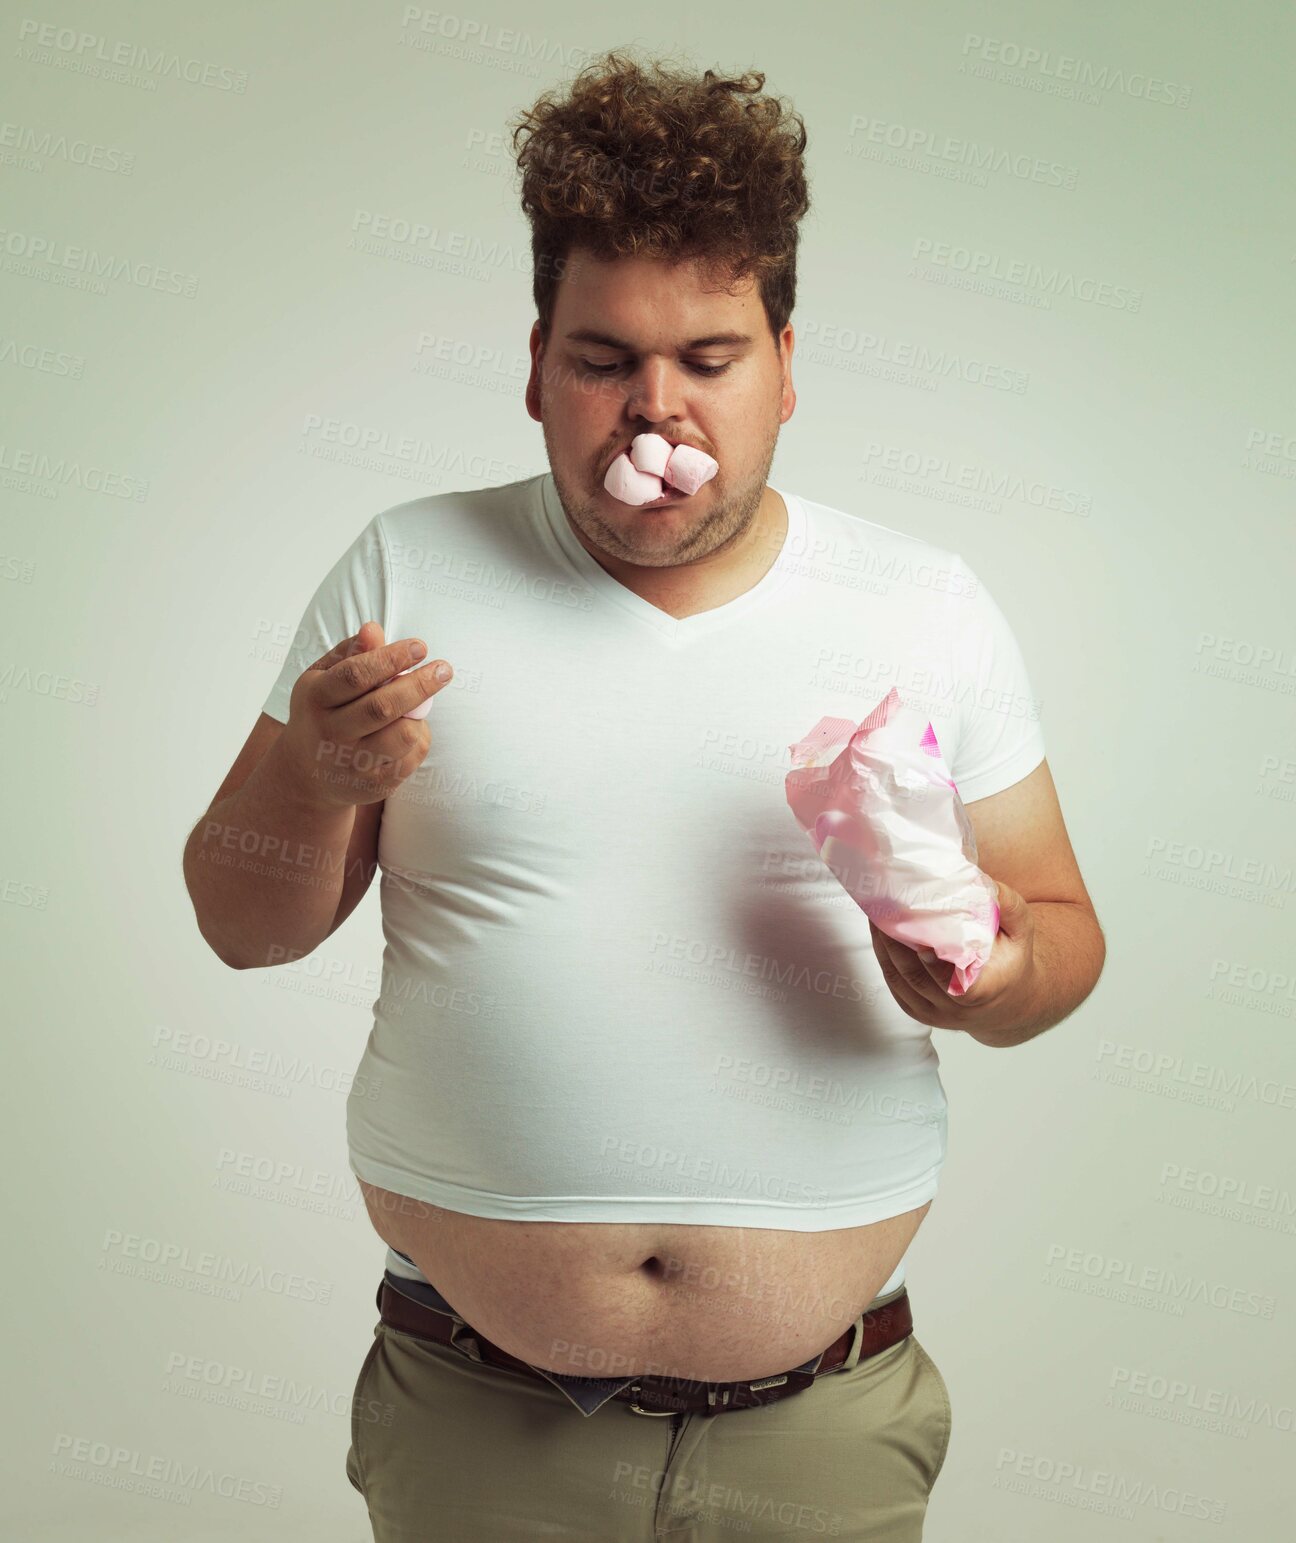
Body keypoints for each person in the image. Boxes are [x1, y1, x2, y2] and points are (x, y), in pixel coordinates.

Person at [183, 47, 1105, 1542]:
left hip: (821, 1425)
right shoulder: (405, 575)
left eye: (710, 361)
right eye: (604, 360)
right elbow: (243, 925)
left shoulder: (924, 606)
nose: (653, 415)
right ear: (537, 362)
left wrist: (988, 974)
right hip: (474, 1418)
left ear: (788, 368)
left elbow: (1062, 938)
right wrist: (308, 769)